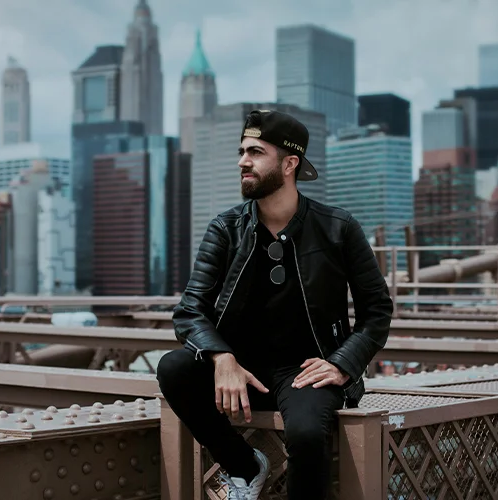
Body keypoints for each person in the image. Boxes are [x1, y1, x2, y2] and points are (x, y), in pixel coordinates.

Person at [156, 109, 394, 499]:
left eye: (255, 152)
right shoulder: (226, 228)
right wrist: (221, 358)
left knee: (305, 435)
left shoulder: (338, 227)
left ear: (289, 163)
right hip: (241, 370)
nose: (242, 161)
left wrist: (341, 363)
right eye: (241, 151)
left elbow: (377, 310)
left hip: (306, 369)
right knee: (174, 368)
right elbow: (190, 309)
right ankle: (245, 467)